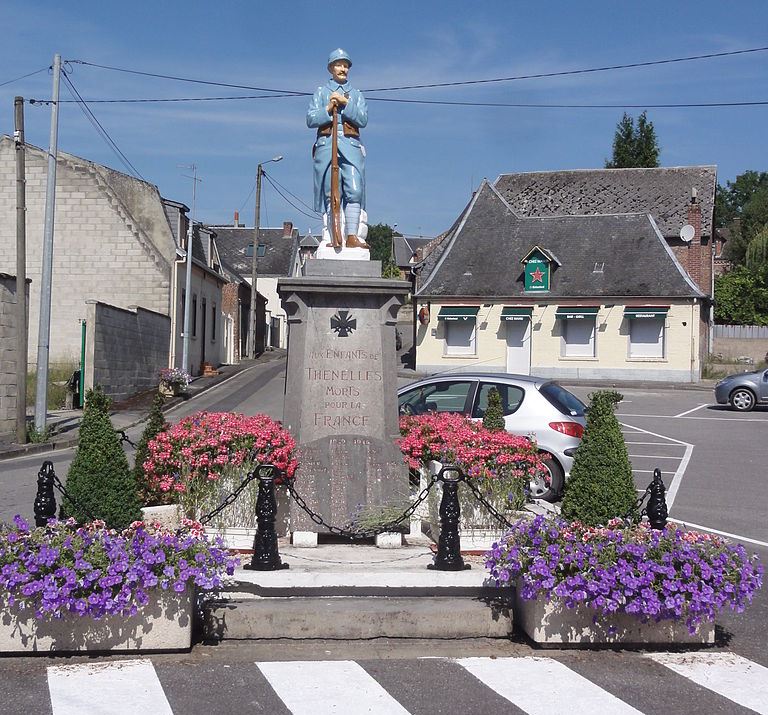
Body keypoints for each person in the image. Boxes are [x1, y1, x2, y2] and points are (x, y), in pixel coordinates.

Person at [307, 48, 369, 249]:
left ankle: (352, 236)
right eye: (339, 64)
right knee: (329, 191)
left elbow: (363, 119)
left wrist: (345, 103)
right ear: (331, 68)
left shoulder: (357, 94)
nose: (343, 69)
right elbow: (310, 119)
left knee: (355, 190)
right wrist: (327, 107)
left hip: (350, 146)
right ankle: (331, 236)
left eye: (345, 65)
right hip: (327, 146)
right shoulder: (321, 92)